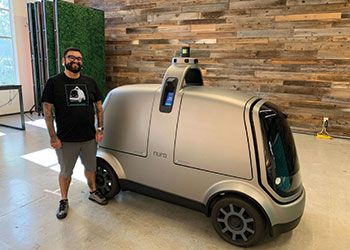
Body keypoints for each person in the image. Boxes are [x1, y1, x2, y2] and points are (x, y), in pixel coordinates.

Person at [41, 47, 107, 220]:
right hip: (66, 139)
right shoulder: (54, 82)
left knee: (91, 168)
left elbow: (99, 107)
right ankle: (63, 200)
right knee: (66, 173)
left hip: (88, 138)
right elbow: (47, 111)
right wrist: (53, 136)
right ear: (64, 61)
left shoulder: (90, 82)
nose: (75, 61)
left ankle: (93, 191)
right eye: (71, 58)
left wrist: (100, 129)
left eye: (79, 58)